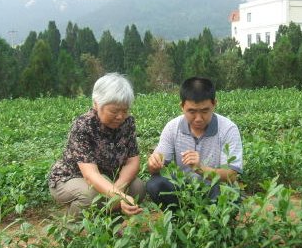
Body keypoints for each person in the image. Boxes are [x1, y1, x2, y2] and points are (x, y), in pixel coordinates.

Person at [48, 73, 145, 217]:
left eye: (124, 110)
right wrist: (119, 195)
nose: (120, 116)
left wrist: (118, 189)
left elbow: (133, 161)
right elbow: (90, 174)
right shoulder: (83, 126)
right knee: (92, 195)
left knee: (137, 187)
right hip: (71, 177)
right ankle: (72, 227)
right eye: (114, 111)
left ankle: (110, 227)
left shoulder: (127, 122)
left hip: (108, 176)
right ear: (96, 104)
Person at [146, 76, 243, 209]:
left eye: (204, 111)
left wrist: (200, 168)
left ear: (214, 104)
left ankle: (212, 223)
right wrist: (153, 165)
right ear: (182, 106)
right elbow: (156, 168)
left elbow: (231, 176)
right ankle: (178, 219)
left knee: (230, 194)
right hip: (183, 190)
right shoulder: (172, 127)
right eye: (191, 111)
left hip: (212, 189)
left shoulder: (228, 129)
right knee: (154, 184)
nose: (198, 119)